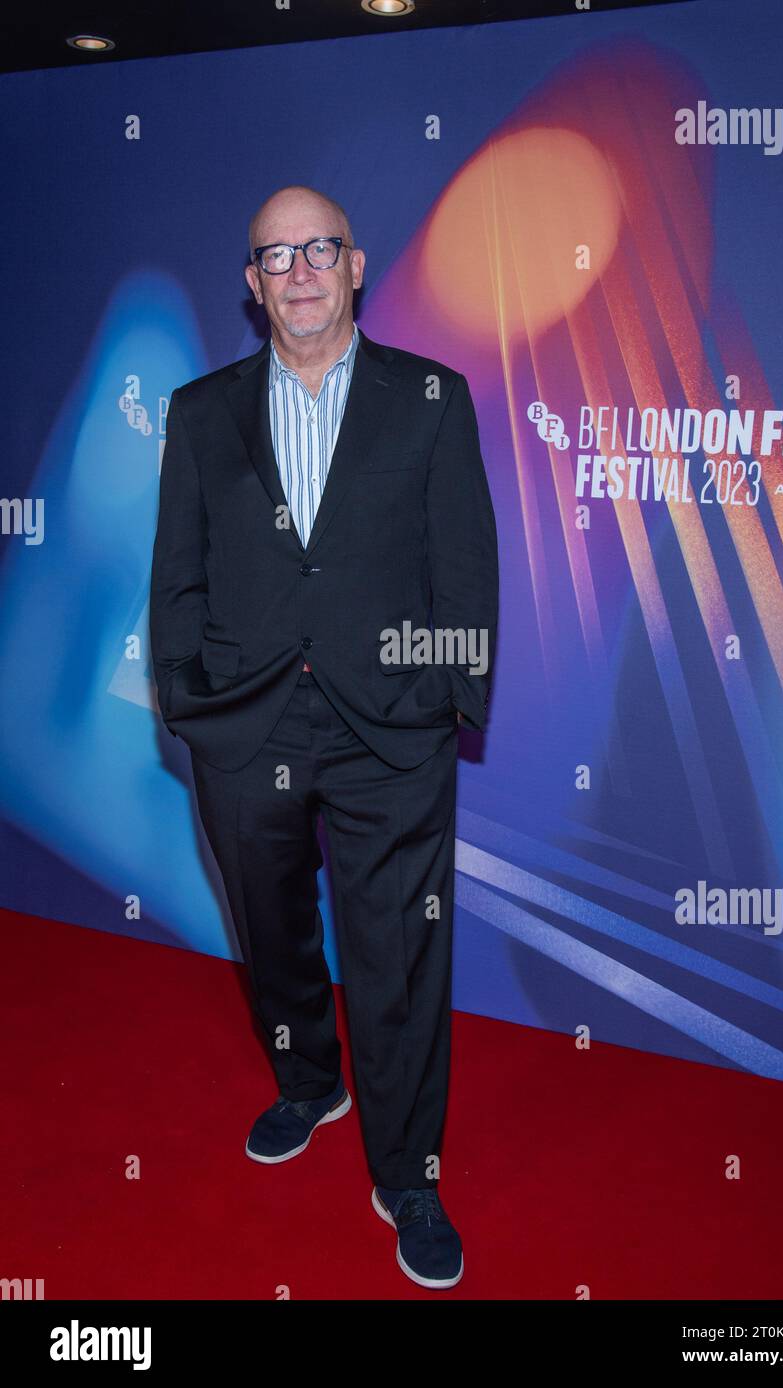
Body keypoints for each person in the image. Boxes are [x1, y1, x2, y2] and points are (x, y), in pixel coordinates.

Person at [149, 184, 498, 1290]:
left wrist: (446, 707)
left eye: (320, 249)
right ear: (252, 286)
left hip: (391, 726)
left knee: (398, 956)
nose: (299, 270)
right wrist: (189, 702)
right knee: (272, 923)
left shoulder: (432, 398)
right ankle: (310, 1079)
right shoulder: (201, 413)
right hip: (244, 722)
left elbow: (467, 566)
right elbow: (178, 575)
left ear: (356, 265)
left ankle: (409, 1174)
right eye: (275, 256)